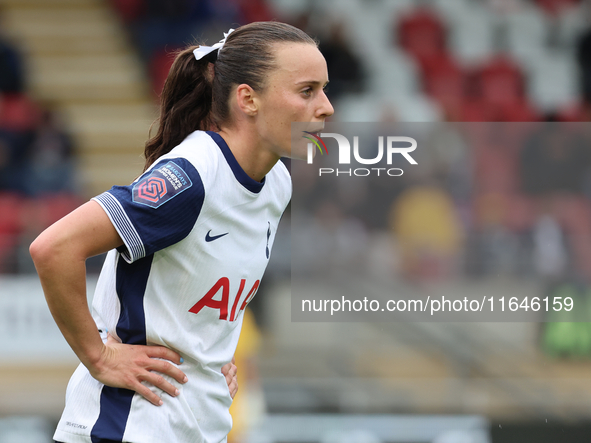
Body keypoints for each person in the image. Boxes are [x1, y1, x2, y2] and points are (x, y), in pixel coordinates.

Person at [30, 21, 333, 443]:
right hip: (126, 428)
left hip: (197, 428)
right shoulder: (191, 176)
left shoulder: (277, 183)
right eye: (307, 91)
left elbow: (201, 286)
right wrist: (98, 356)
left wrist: (211, 354)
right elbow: (54, 248)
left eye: (323, 89)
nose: (326, 107)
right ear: (248, 99)